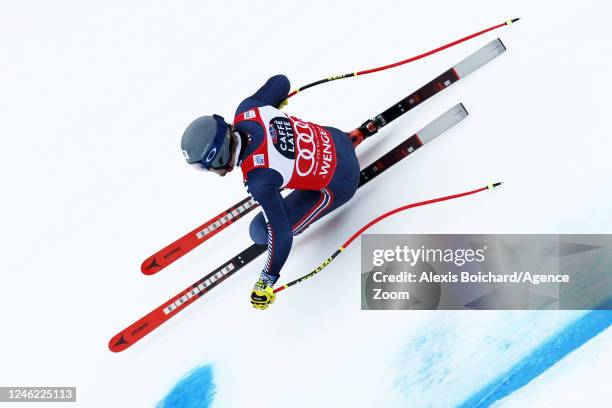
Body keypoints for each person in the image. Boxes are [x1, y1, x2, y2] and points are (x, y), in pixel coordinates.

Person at [181, 75, 372, 310]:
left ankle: (299, 184)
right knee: (278, 178)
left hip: (341, 182)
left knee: (260, 231)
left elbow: (281, 235)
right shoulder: (247, 110)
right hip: (335, 137)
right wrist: (273, 106)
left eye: (205, 166)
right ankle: (329, 154)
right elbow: (280, 82)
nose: (208, 171)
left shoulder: (258, 179)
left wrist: (266, 281)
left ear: (218, 156)